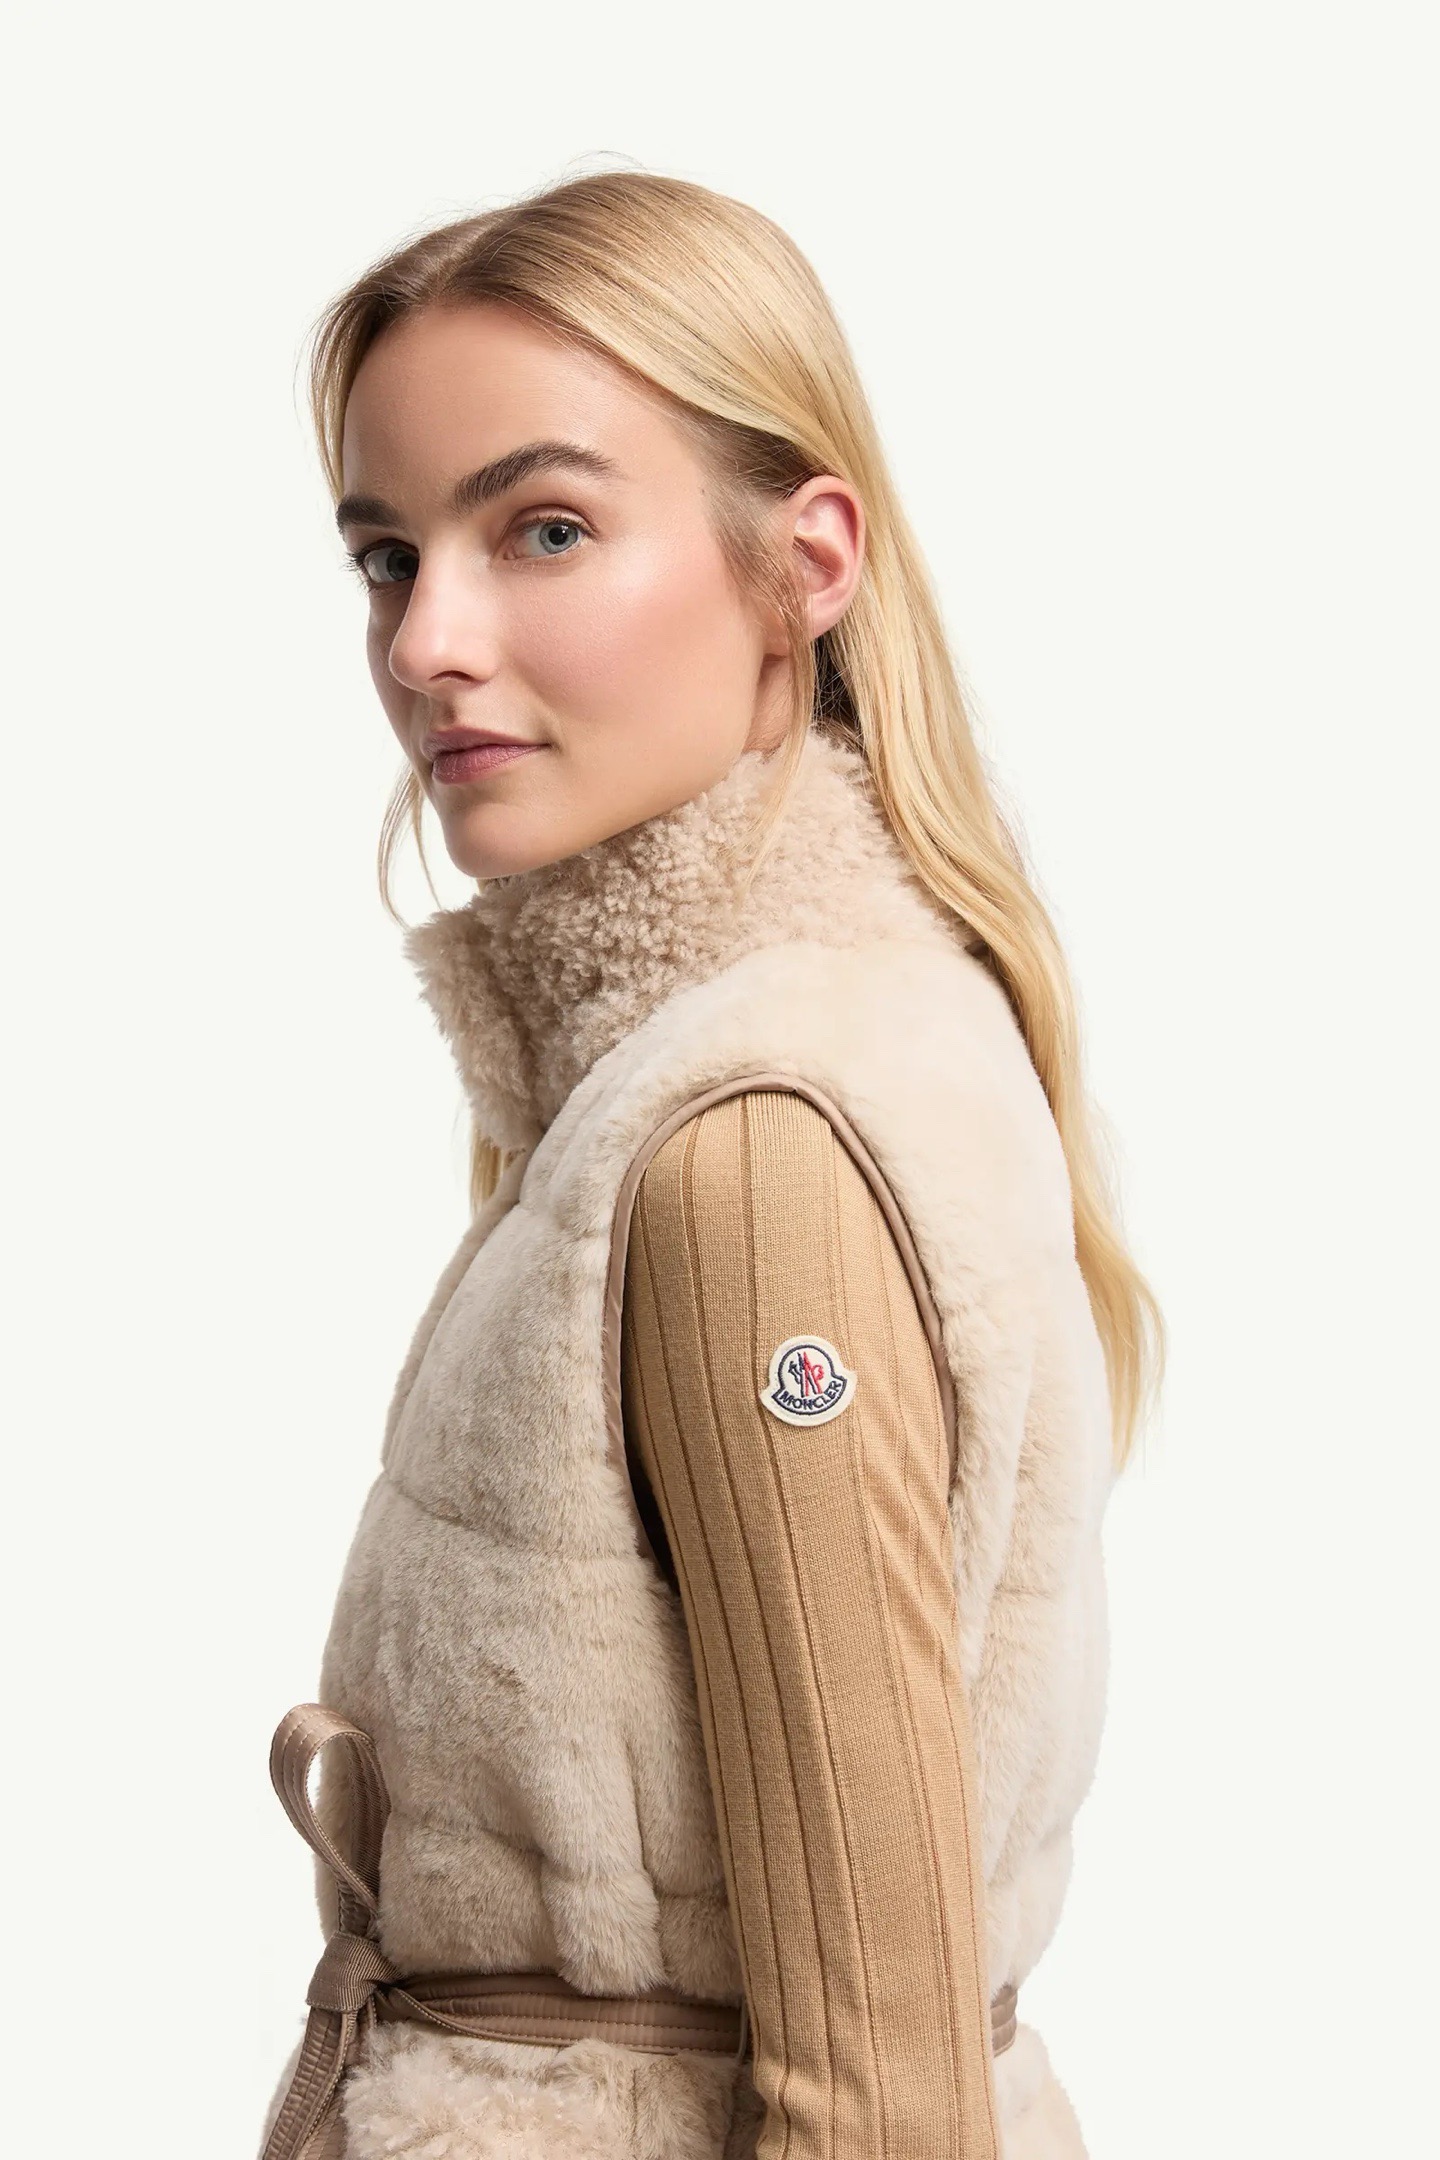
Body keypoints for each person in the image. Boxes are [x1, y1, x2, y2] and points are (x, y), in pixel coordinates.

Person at [258, 170, 1163, 2160]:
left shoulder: (749, 1149)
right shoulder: (728, 1071)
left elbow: (878, 2088)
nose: (428, 642)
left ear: (800, 566)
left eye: (544, 529)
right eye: (389, 558)